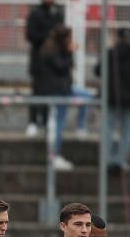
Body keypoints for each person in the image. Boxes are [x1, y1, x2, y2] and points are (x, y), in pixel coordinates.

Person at [94, 28, 130, 172]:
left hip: (111, 98)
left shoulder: (110, 54)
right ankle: (119, 161)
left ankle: (107, 160)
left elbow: (98, 71)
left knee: (108, 128)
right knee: (127, 131)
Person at [37, 25, 90, 171]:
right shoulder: (52, 51)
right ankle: (54, 155)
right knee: (58, 124)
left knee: (87, 97)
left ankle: (80, 127)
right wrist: (70, 53)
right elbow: (61, 67)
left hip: (65, 88)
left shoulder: (56, 49)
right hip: (58, 91)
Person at [25, 0, 63, 137]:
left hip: (52, 61)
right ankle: (33, 121)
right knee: (36, 91)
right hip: (37, 59)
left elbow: (61, 34)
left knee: (49, 92)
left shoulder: (58, 13)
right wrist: (48, 36)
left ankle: (47, 122)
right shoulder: (35, 13)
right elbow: (31, 35)